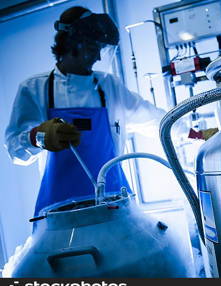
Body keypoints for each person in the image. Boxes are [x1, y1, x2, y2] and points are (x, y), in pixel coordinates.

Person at [4, 6, 168, 223]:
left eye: (101, 48)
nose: (98, 56)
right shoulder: (35, 88)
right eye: (92, 47)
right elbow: (15, 148)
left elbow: (153, 118)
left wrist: (194, 133)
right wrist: (38, 136)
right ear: (70, 42)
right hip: (60, 210)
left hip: (113, 201)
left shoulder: (108, 86)